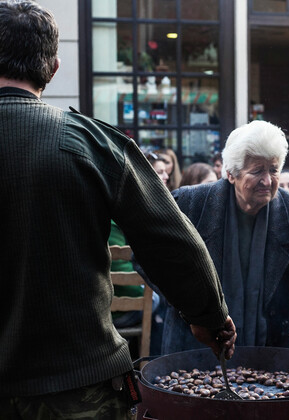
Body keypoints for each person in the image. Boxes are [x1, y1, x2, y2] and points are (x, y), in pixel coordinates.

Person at [0, 2, 236, 418]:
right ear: (53, 68)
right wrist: (210, 319)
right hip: (79, 387)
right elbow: (172, 242)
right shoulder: (91, 144)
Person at [159, 119, 289, 354]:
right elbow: (151, 259)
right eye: (257, 171)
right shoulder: (190, 203)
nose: (268, 181)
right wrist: (192, 307)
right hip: (196, 346)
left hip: (272, 347)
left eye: (273, 170)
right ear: (231, 174)